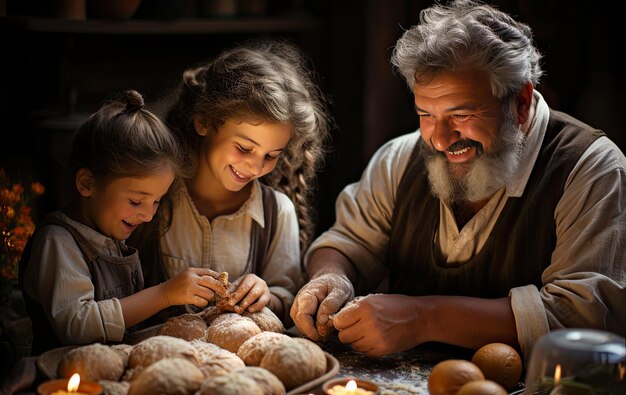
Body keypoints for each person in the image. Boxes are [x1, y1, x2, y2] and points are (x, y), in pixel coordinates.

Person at [290, 0, 626, 359]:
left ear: (521, 102)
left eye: (461, 114)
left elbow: (582, 316)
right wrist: (332, 276)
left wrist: (423, 319)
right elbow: (347, 242)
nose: (439, 138)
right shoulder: (400, 158)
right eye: (426, 114)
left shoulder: (591, 168)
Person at [128, 39, 332, 325]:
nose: (255, 166)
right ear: (204, 123)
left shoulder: (277, 212)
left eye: (271, 155)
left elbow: (287, 299)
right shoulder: (154, 200)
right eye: (244, 148)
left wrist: (266, 295)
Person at [19, 90, 230, 355]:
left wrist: (187, 297)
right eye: (135, 201)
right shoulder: (57, 242)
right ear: (87, 183)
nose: (149, 215)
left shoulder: (111, 236)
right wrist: (163, 294)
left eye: (156, 201)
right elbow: (76, 324)